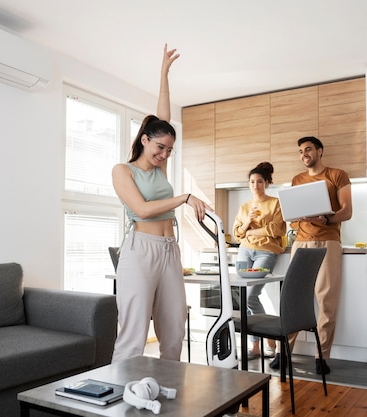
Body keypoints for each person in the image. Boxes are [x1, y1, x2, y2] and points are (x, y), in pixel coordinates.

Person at [111, 44, 213, 363]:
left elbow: (163, 119)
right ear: (144, 140)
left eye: (170, 150)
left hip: (170, 250)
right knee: (134, 335)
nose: (165, 154)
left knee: (173, 333)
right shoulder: (122, 171)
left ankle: (169, 399)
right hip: (140, 250)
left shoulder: (159, 167)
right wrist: (182, 197)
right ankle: (117, 405)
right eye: (160, 147)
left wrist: (164, 74)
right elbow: (141, 210)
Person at [269, 136, 352, 374]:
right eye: (300, 151)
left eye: (308, 149)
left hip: (328, 241)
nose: (304, 154)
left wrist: (325, 218)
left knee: (326, 301)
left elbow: (347, 211)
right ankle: (283, 353)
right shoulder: (297, 180)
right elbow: (293, 219)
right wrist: (298, 219)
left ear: (319, 151)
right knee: (293, 299)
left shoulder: (337, 175)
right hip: (301, 243)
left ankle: (322, 357)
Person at [232, 162, 286, 359]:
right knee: (244, 293)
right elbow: (237, 234)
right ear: (249, 184)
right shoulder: (245, 206)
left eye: (260, 181)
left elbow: (276, 230)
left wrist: (250, 230)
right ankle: (258, 346)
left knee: (250, 296)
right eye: (252, 182)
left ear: (267, 183)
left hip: (265, 252)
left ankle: (268, 341)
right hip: (245, 251)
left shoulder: (275, 204)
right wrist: (248, 220)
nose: (256, 185)